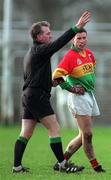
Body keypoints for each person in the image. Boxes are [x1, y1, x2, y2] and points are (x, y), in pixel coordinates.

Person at [12, 11, 91, 173]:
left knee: (25, 133)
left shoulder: (33, 52)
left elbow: (31, 77)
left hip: (28, 95)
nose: (50, 36)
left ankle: (17, 166)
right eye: (47, 33)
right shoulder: (40, 50)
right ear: (39, 37)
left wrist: (51, 82)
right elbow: (59, 44)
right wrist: (77, 28)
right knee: (54, 128)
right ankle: (62, 164)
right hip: (36, 96)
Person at [52, 28, 105, 172]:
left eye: (83, 38)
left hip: (89, 95)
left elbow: (90, 72)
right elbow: (56, 76)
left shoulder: (89, 54)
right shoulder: (70, 56)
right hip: (78, 98)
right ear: (72, 40)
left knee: (83, 135)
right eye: (78, 38)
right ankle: (96, 166)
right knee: (87, 134)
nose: (81, 41)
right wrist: (72, 88)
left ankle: (61, 162)